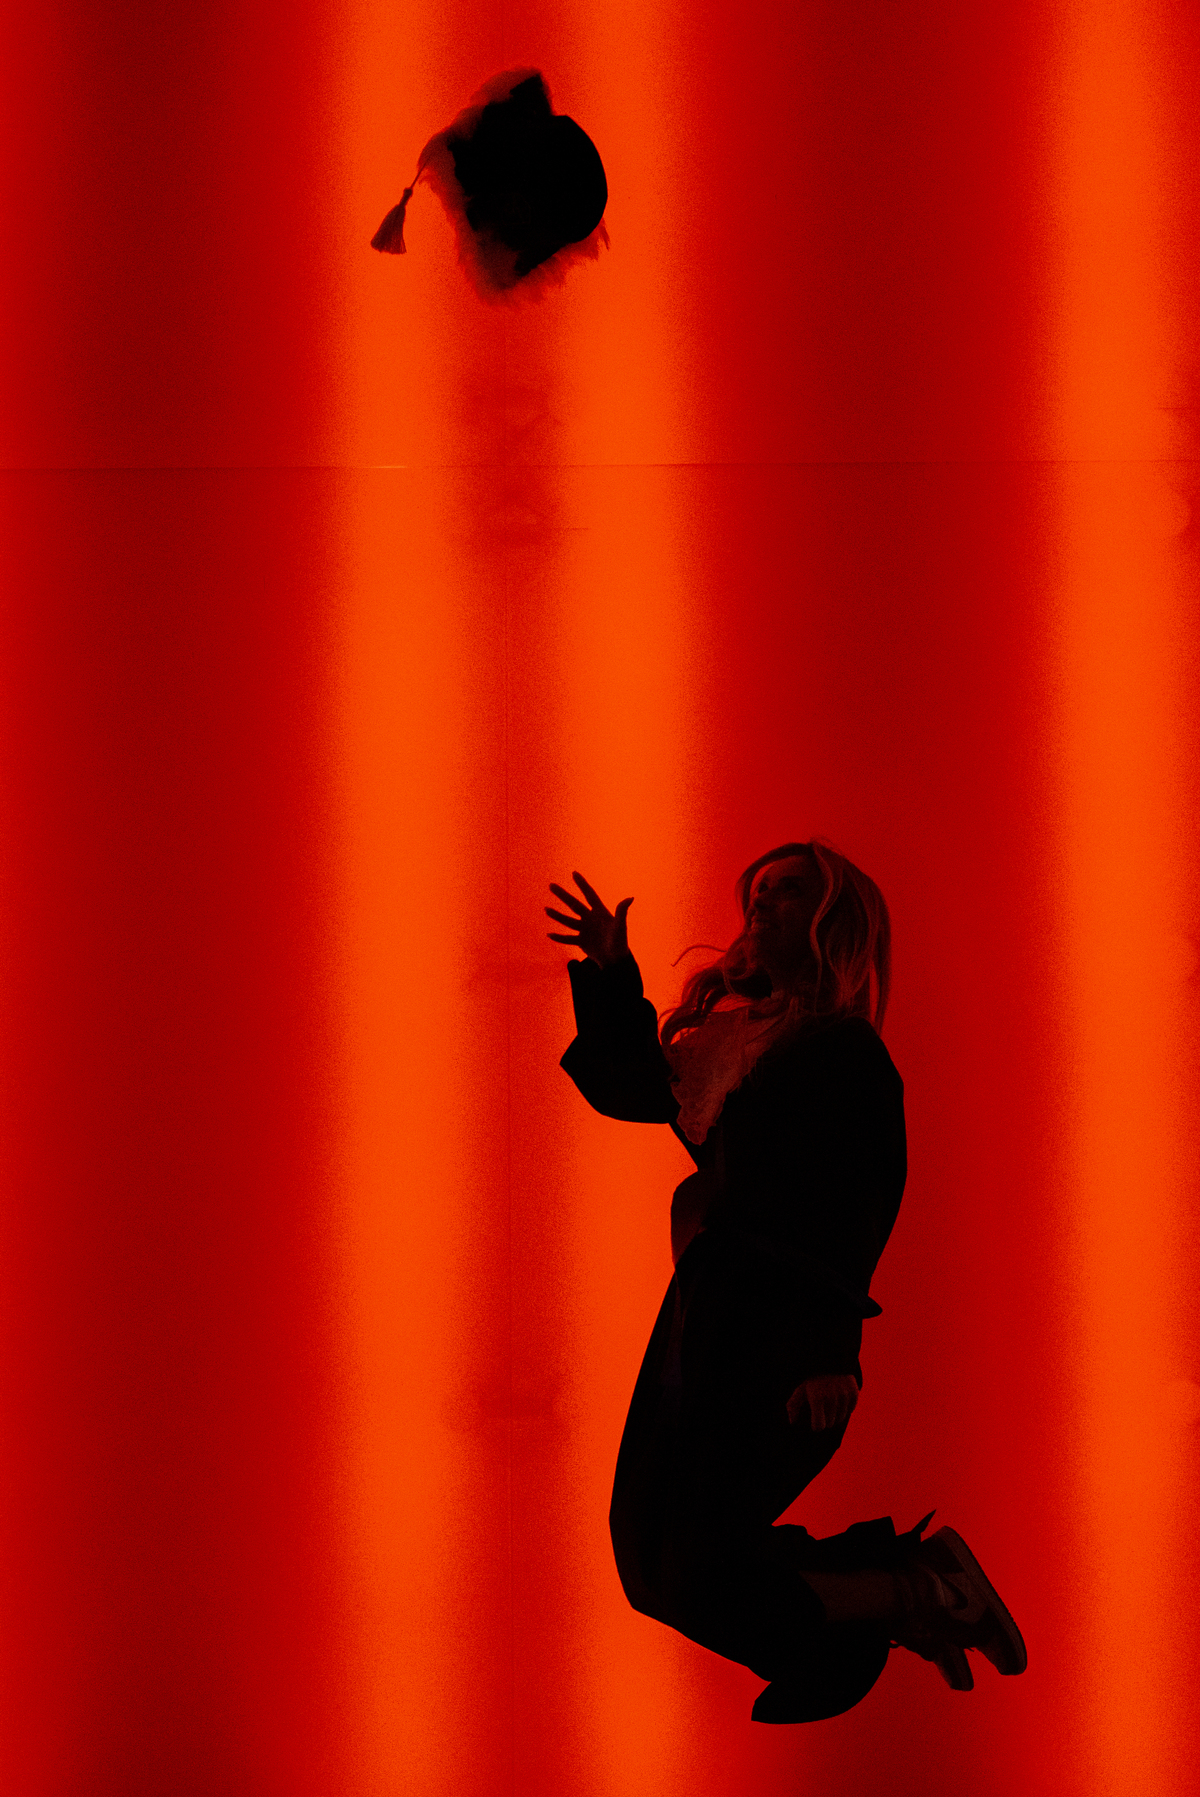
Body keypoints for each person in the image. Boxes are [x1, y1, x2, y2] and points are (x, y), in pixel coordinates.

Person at [547, 842, 1026, 1723]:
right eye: (757, 892)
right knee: (648, 1556)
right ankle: (909, 1593)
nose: (762, 903)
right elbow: (626, 1084)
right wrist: (612, 972)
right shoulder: (736, 1045)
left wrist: (825, 1349)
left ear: (831, 919)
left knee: (691, 1563)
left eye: (789, 890)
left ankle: (910, 1592)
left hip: (778, 1336)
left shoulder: (844, 1054)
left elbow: (854, 1208)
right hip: (703, 1322)